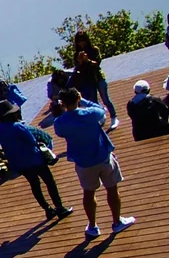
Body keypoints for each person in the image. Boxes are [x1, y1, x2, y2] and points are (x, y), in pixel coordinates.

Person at [53, 88, 135, 239]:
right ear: (77, 97)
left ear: (63, 103)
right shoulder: (90, 114)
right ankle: (117, 223)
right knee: (112, 189)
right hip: (103, 157)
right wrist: (82, 99)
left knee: (88, 193)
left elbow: (60, 132)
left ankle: (92, 226)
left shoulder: (59, 123)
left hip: (83, 163)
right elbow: (101, 109)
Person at [0, 100, 72, 221]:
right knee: (49, 182)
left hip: (19, 163)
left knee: (35, 186)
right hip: (35, 159)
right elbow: (31, 140)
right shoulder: (18, 126)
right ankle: (60, 208)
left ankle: (47, 209)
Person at [70, 31, 119, 130]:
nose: (81, 43)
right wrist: (80, 62)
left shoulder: (94, 50)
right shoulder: (76, 54)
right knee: (93, 101)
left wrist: (87, 60)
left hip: (98, 77)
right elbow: (77, 69)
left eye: (83, 41)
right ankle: (101, 116)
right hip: (87, 80)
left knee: (105, 99)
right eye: (79, 42)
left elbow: (97, 63)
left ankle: (114, 117)